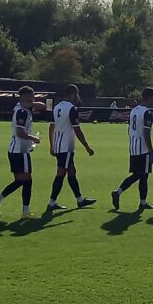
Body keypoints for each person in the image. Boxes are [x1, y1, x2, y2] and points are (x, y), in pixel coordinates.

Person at [0, 86, 43, 219]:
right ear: (26, 96)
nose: (34, 98)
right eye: (32, 95)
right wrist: (33, 138)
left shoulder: (22, 108)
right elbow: (20, 132)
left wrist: (29, 103)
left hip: (16, 150)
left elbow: (42, 106)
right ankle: (24, 211)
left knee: (22, 181)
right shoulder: (22, 112)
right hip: (20, 151)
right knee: (26, 181)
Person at [46, 83, 96, 212]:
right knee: (62, 173)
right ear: (73, 94)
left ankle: (78, 200)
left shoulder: (57, 107)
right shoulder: (71, 109)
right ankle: (54, 202)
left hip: (58, 145)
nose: (78, 97)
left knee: (70, 171)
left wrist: (52, 145)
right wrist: (87, 146)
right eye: (77, 94)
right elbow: (77, 130)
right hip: (66, 146)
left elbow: (51, 127)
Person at [112, 87, 153, 211]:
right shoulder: (147, 112)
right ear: (150, 97)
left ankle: (119, 192)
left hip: (133, 148)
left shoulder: (133, 111)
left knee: (137, 175)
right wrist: (151, 152)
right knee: (143, 176)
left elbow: (129, 129)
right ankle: (142, 202)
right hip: (143, 149)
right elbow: (146, 133)